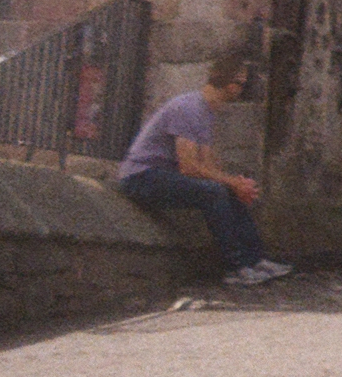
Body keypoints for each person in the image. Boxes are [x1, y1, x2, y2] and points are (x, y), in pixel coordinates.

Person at [116, 53, 289, 284]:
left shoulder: (206, 112)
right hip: (142, 177)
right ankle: (235, 268)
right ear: (226, 82)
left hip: (162, 175)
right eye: (239, 83)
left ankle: (255, 260)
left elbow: (208, 164)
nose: (240, 89)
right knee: (214, 192)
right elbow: (189, 167)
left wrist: (236, 184)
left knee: (227, 190)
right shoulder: (188, 107)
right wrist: (230, 182)